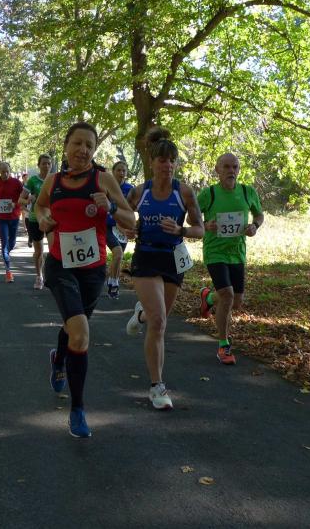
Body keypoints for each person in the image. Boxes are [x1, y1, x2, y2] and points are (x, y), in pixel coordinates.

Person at [34, 122, 135, 438]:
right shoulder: (53, 181)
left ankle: (59, 358)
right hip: (60, 266)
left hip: (93, 270)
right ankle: (77, 410)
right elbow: (40, 206)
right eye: (77, 143)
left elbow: (130, 219)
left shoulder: (103, 179)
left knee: (74, 331)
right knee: (80, 332)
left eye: (89, 145)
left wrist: (112, 206)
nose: (83, 150)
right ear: (66, 146)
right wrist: (43, 219)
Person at [124, 127, 204, 410]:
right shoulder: (140, 192)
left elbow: (200, 229)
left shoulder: (184, 192)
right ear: (152, 162)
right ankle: (157, 386)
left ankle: (141, 314)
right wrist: (129, 229)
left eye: (172, 161)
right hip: (146, 257)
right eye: (162, 160)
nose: (167, 165)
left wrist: (181, 229)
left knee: (158, 319)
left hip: (172, 259)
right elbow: (122, 217)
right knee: (159, 322)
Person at [196, 153, 264, 365]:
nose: (231, 171)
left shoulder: (247, 192)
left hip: (237, 252)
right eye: (226, 167)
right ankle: (223, 345)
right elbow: (192, 217)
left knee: (236, 301)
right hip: (215, 251)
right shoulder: (209, 194)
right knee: (227, 295)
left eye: (235, 167)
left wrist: (254, 226)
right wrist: (205, 225)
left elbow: (259, 215)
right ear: (217, 170)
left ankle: (208, 298)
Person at [19, 155, 52, 289]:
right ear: (38, 165)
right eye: (44, 163)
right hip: (35, 219)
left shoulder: (55, 179)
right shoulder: (33, 181)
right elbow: (20, 200)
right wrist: (28, 199)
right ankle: (39, 276)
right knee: (39, 251)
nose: (46, 166)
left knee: (54, 250)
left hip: (51, 219)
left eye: (49, 163)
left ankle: (52, 276)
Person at [0, 162, 23, 282]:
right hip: (0, 217)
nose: (5, 174)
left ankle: (6, 252)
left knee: (12, 243)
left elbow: (23, 197)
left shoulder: (16, 183)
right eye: (3, 172)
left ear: (10, 170)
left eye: (7, 171)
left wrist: (15, 204)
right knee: (4, 243)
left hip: (14, 216)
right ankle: (8, 271)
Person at [105, 161, 134, 299]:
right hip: (107, 226)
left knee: (119, 256)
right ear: (113, 171)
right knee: (118, 253)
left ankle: (112, 280)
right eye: (119, 170)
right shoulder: (106, 186)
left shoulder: (130, 189)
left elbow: (133, 208)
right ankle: (114, 283)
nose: (121, 173)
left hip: (123, 227)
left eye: (124, 170)